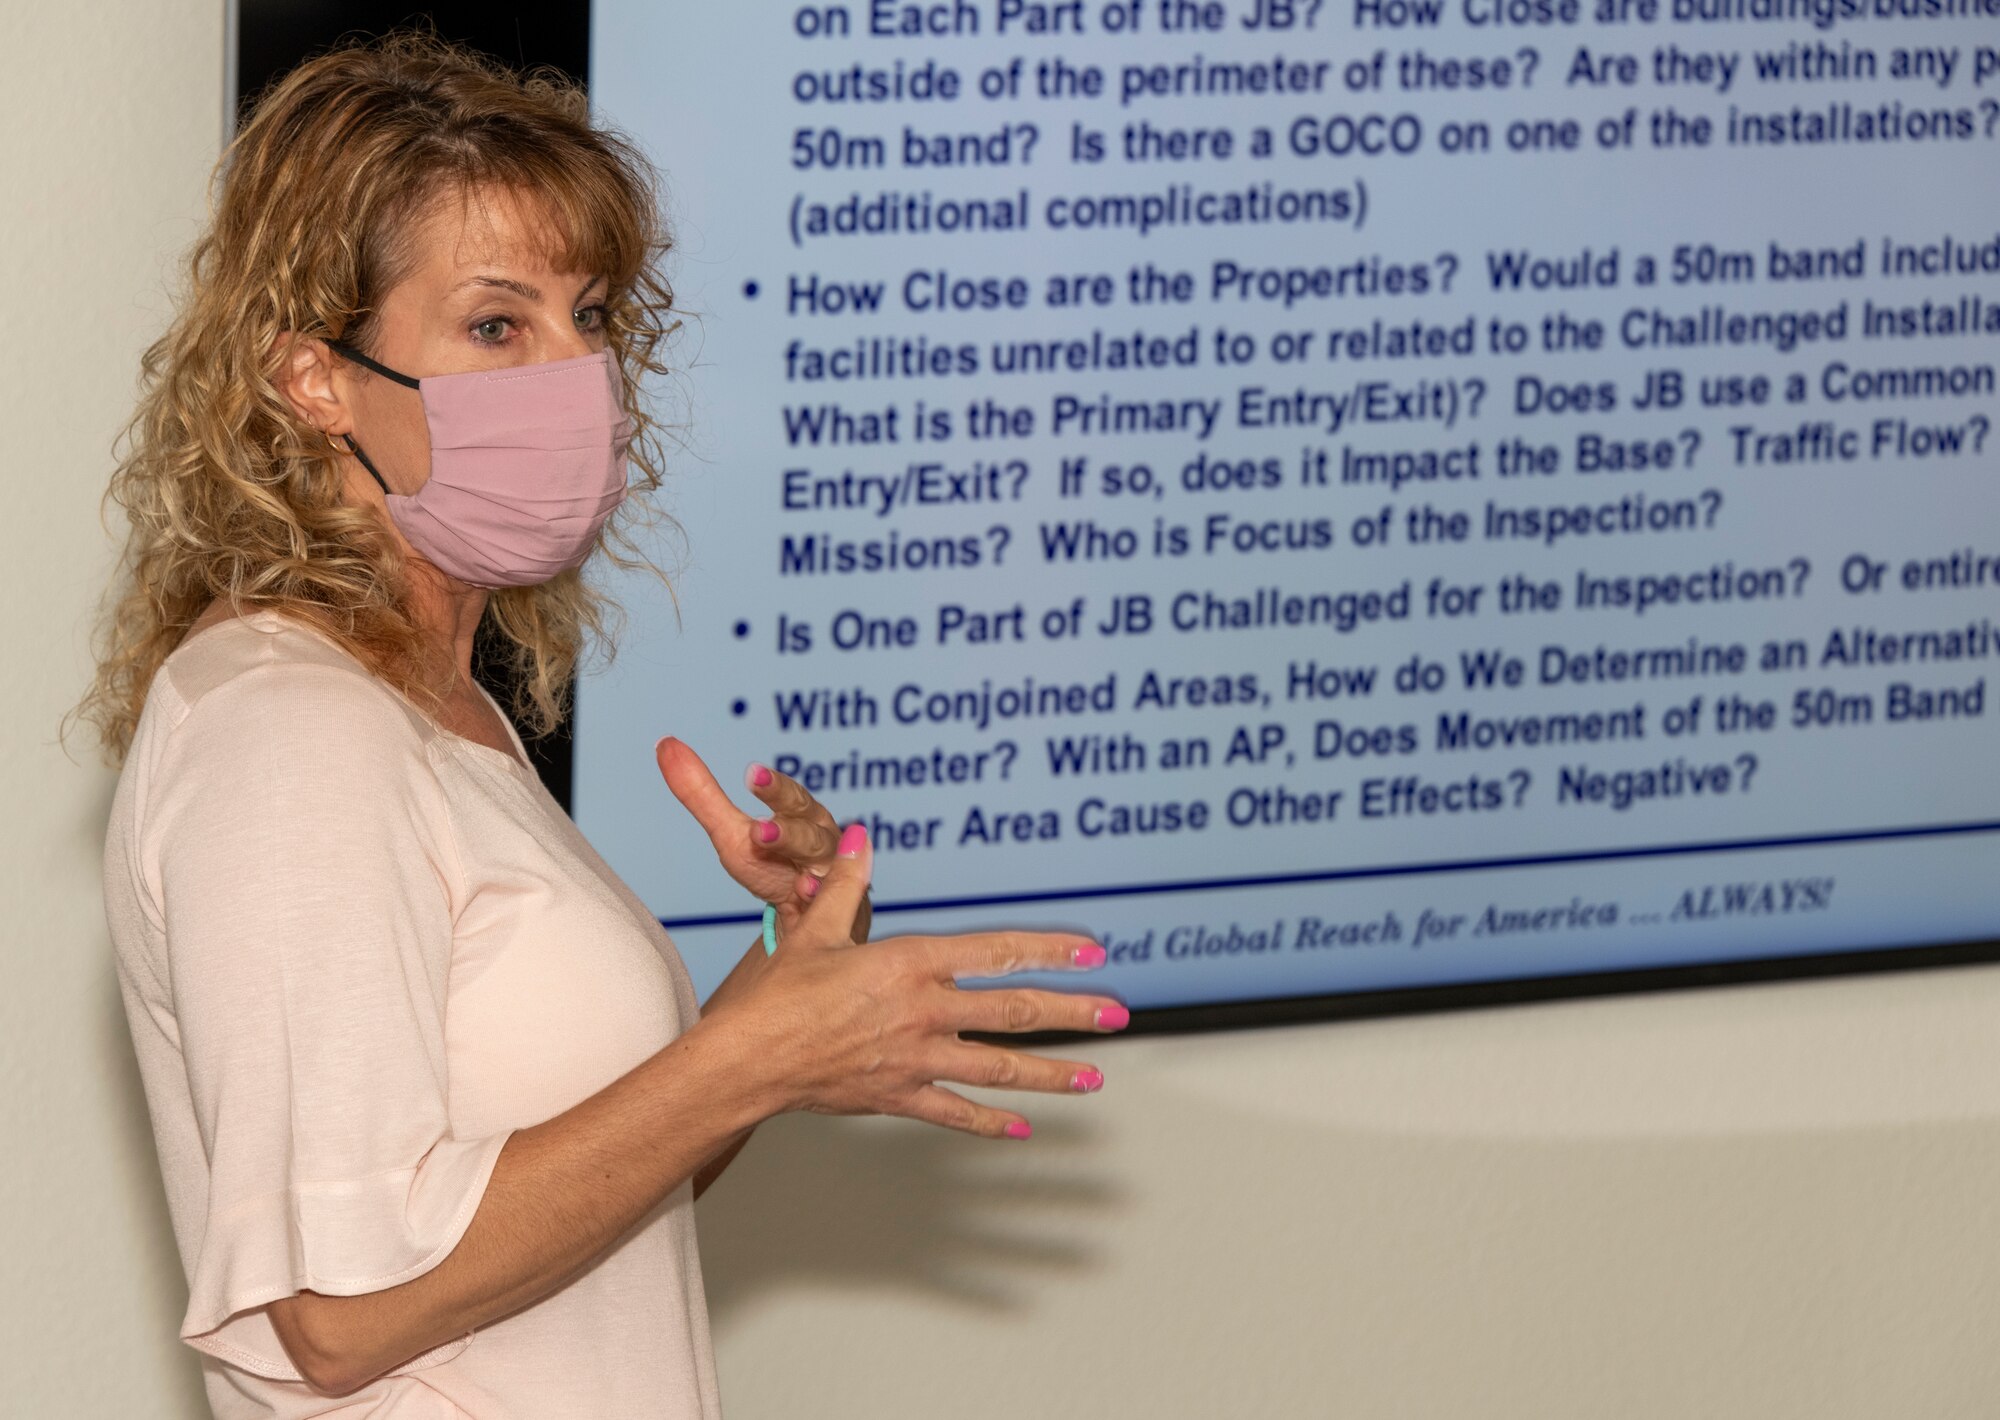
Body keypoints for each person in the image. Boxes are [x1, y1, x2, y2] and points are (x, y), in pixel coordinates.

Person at [75, 30, 1126, 1417]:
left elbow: (575, 1204)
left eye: (593, 315)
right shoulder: (287, 735)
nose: (577, 374)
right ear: (315, 379)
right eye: (498, 325)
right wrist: (741, 1063)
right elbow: (331, 1316)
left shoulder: (434, 708)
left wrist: (776, 989)